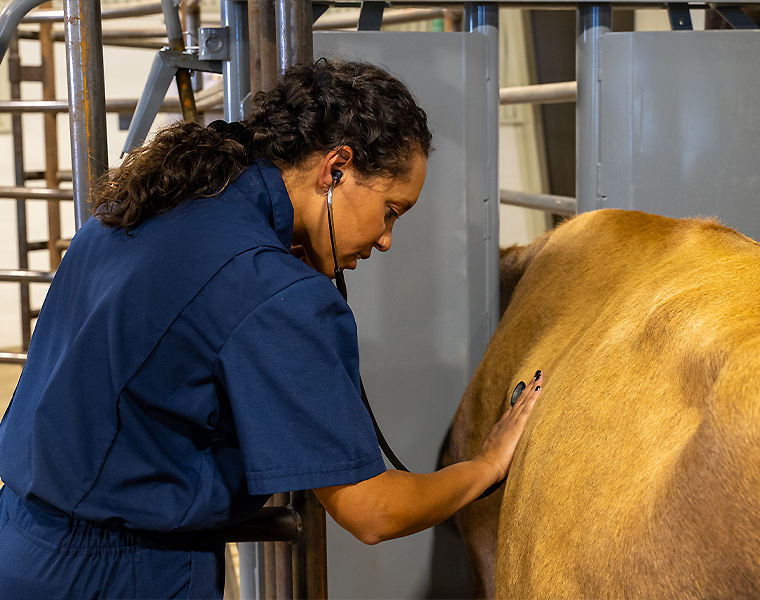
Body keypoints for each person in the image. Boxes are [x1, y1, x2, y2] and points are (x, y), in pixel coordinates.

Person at [0, 59, 540, 598]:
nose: (385, 240)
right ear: (336, 168)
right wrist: (487, 466)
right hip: (125, 574)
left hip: (21, 538)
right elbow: (373, 512)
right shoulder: (272, 290)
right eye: (391, 210)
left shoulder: (153, 202)